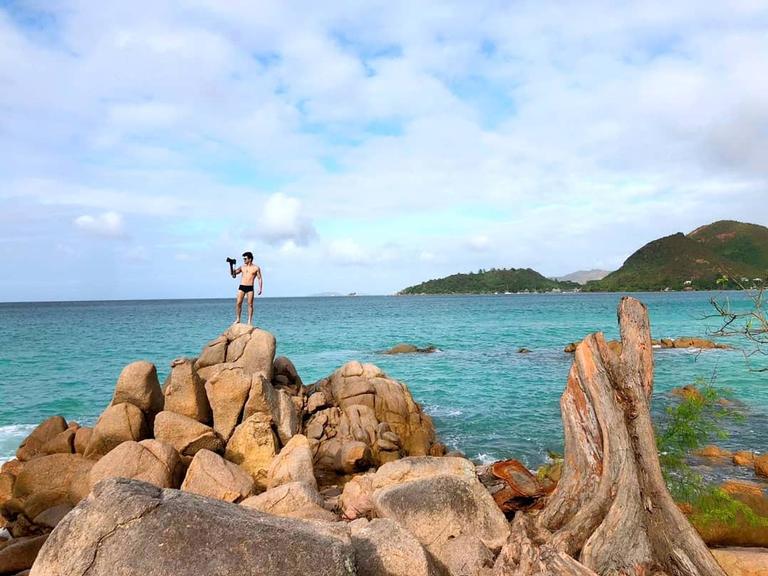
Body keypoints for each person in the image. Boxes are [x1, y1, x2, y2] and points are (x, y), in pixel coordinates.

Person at [231, 251, 262, 325]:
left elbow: (259, 278)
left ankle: (249, 321)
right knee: (238, 303)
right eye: (243, 259)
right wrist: (231, 267)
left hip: (250, 287)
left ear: (250, 259)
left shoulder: (256, 268)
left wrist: (260, 288)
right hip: (242, 286)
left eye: (245, 259)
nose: (244, 260)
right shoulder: (242, 267)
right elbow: (234, 275)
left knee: (250, 304)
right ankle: (238, 319)